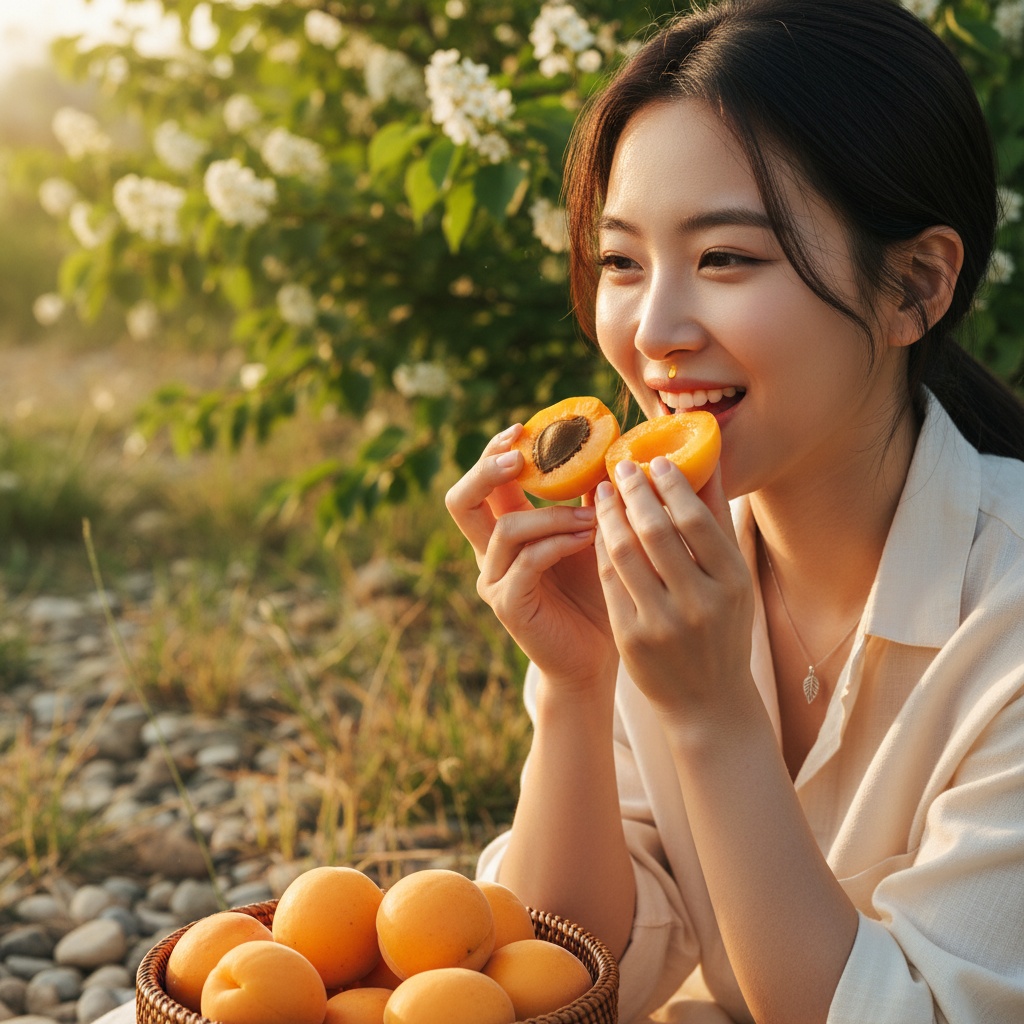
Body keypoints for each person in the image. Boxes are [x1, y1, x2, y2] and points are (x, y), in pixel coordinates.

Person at [445, 1, 1024, 1021]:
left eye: (725, 260)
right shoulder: (673, 572)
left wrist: (713, 715)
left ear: (915, 286)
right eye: (621, 262)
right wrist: (577, 687)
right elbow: (557, 984)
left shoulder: (1007, 610)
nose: (653, 333)